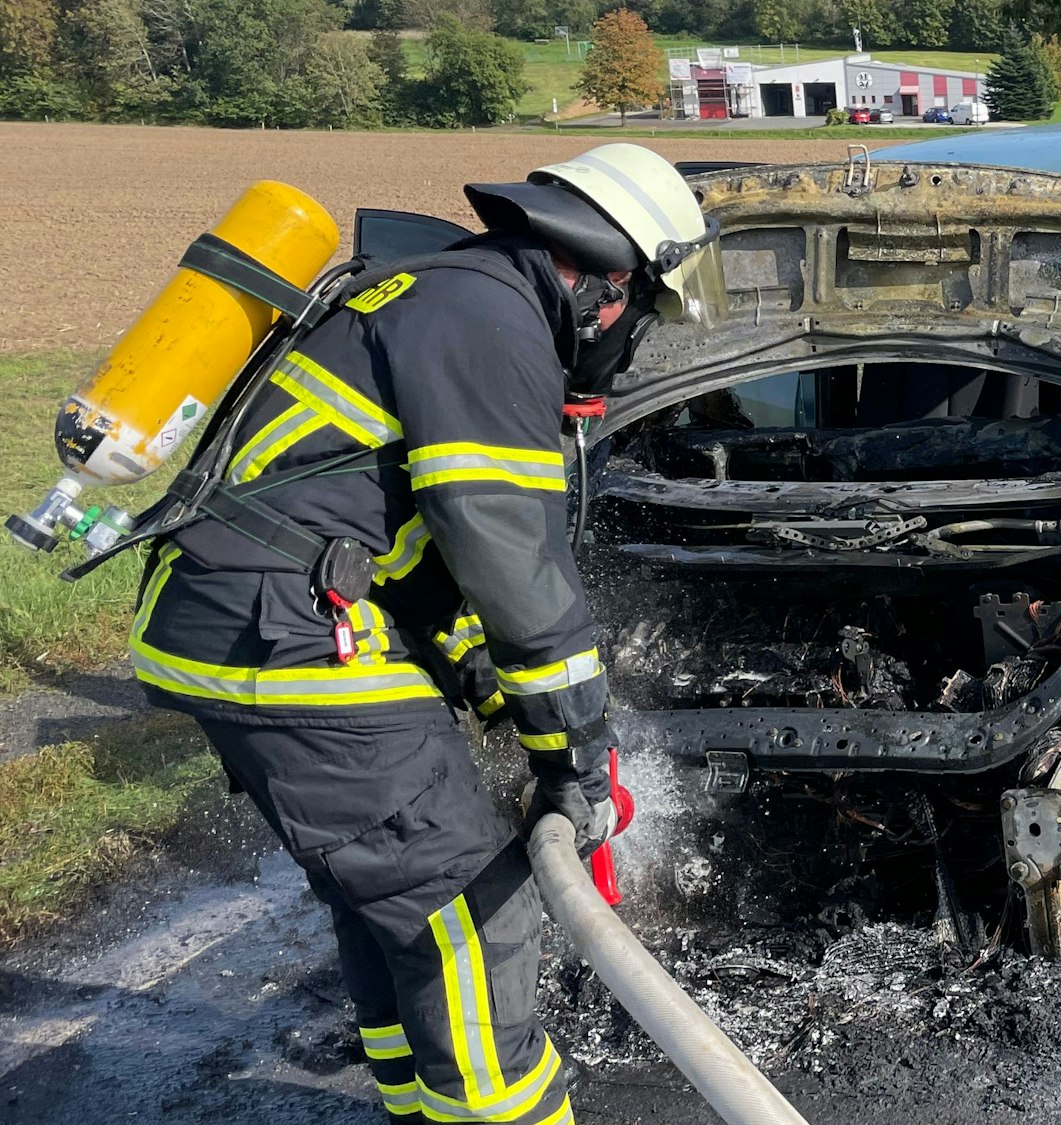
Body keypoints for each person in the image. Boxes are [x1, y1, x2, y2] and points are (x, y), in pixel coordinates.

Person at [126, 143, 722, 1123]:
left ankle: (415, 1103)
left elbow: (404, 550)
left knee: (395, 902)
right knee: (466, 905)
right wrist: (576, 748)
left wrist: (484, 681)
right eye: (643, 315)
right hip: (282, 629)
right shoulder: (489, 321)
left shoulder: (450, 290)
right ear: (609, 283)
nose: (630, 343)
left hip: (254, 615)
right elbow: (508, 554)